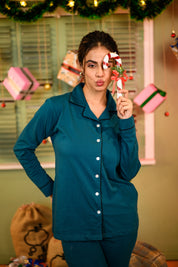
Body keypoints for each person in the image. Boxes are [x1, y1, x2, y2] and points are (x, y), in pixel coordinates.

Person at [14, 31, 141, 267]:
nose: (100, 73)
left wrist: (126, 122)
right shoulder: (56, 108)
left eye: (106, 65)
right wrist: (50, 188)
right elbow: (23, 148)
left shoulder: (120, 113)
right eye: (92, 65)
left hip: (120, 223)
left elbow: (129, 171)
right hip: (75, 221)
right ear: (82, 66)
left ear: (115, 67)